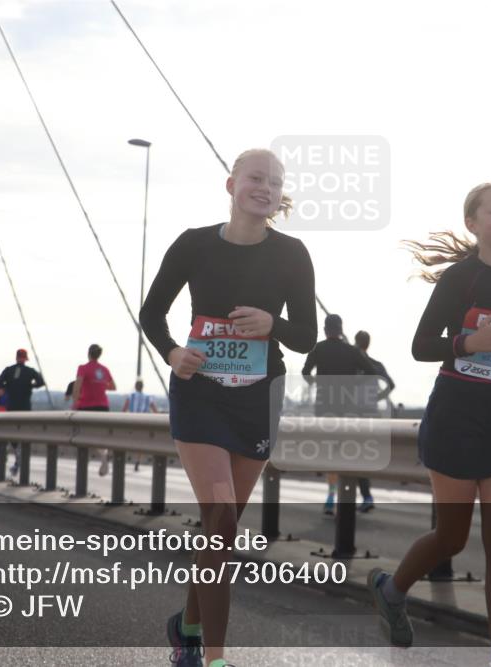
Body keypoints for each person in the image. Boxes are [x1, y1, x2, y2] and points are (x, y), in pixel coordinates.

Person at [368, 183, 491, 667]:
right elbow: (421, 345)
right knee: (451, 537)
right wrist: (468, 343)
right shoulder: (460, 278)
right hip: (455, 412)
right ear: (473, 224)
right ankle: (392, 589)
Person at [140, 148, 316, 667]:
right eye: (255, 178)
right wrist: (174, 353)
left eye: (275, 182)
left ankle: (187, 625)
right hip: (201, 394)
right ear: (231, 184)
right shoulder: (194, 244)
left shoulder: (293, 253)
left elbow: (305, 335)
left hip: (259, 396)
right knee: (219, 518)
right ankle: (210, 658)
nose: (266, 187)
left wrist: (272, 324)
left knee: (224, 527)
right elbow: (153, 311)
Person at [301, 313, 376, 515]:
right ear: (341, 329)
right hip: (348, 409)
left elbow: (305, 372)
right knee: (352, 451)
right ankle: (361, 495)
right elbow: (370, 371)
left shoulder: (317, 349)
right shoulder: (351, 351)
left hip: (325, 407)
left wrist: (317, 385)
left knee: (331, 454)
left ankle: (331, 498)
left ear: (325, 330)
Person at [352, 329, 396, 512]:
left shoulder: (351, 364)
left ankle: (361, 496)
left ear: (355, 343)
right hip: (372, 413)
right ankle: (365, 496)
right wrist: (377, 398)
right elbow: (391, 385)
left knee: (353, 456)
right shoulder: (376, 365)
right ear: (368, 344)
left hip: (354, 414)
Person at [0, 349, 45, 476]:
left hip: (12, 407)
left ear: (16, 357)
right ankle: (20, 456)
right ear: (25, 359)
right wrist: (30, 386)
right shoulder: (30, 371)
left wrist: (8, 387)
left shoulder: (8, 370)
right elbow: (41, 382)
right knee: (24, 432)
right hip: (25, 408)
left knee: (12, 432)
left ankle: (17, 453)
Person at [70, 344, 116, 475]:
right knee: (99, 435)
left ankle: (96, 457)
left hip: (86, 406)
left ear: (88, 354)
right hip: (103, 406)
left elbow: (77, 387)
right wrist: (99, 385)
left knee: (84, 435)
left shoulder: (83, 368)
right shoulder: (104, 369)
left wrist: (75, 403)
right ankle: (103, 454)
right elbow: (113, 387)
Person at [121, 379, 158, 473]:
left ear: (135, 386)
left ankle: (125, 458)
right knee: (140, 442)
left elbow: (124, 409)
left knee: (127, 440)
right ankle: (137, 461)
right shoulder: (148, 397)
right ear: (142, 387)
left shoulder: (130, 396)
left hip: (132, 421)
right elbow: (155, 411)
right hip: (143, 422)